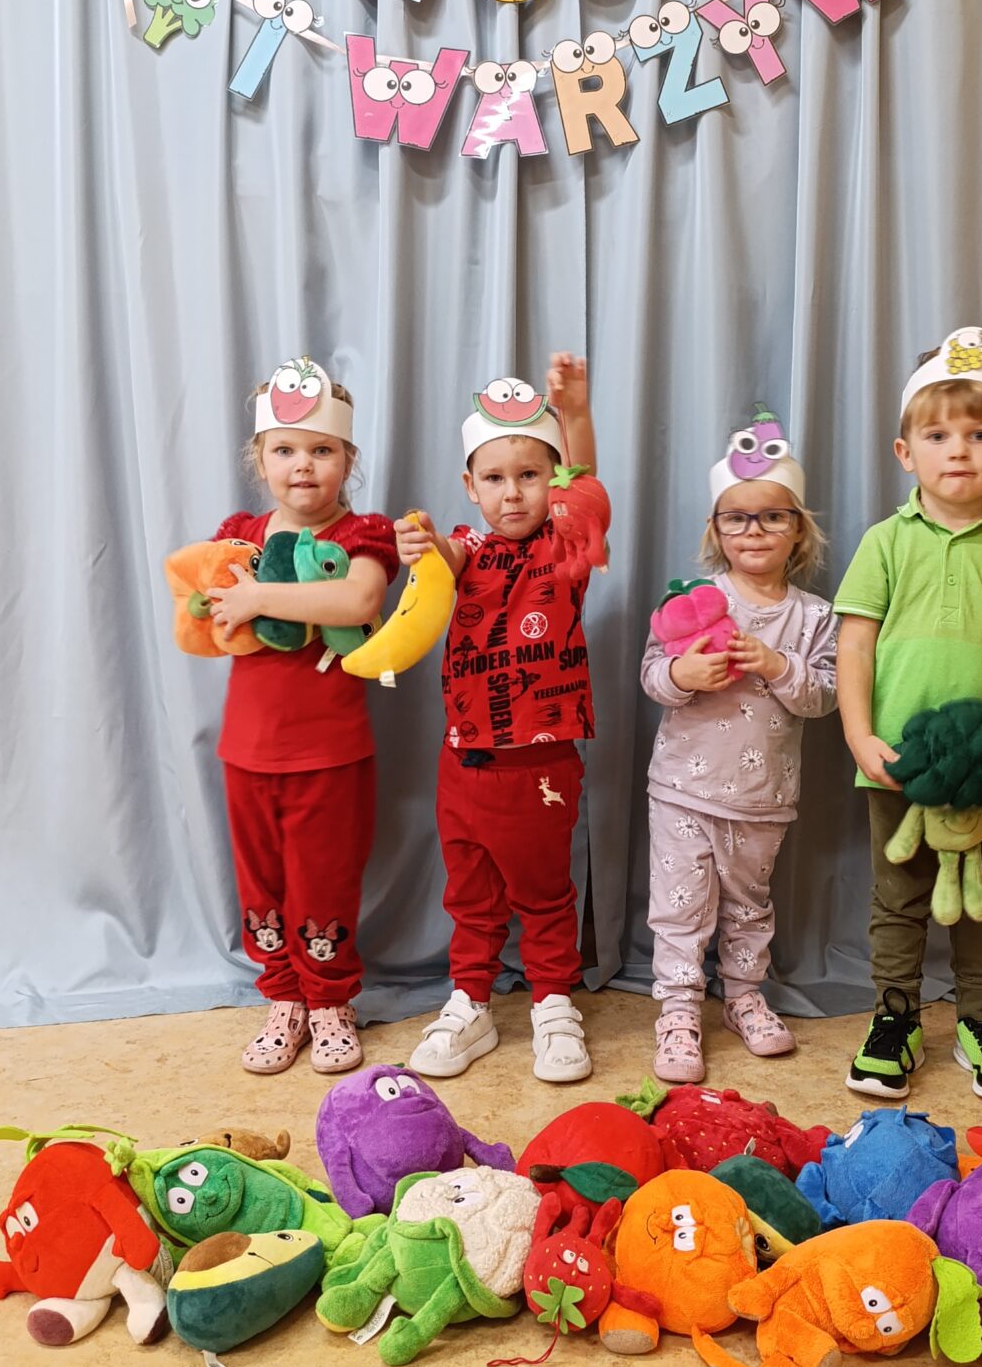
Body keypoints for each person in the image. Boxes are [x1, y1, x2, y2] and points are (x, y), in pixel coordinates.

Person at [833, 327, 982, 1104]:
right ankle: (895, 1019)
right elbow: (854, 646)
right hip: (899, 763)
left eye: (979, 434)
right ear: (906, 454)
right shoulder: (884, 544)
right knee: (898, 898)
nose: (959, 451)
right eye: (937, 437)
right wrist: (859, 735)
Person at [397, 355, 604, 1083]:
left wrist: (575, 415)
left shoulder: (565, 545)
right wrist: (421, 545)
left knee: (545, 893)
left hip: (541, 764)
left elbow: (585, 485)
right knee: (470, 893)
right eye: (494, 478)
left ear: (552, 480)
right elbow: (444, 555)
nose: (512, 492)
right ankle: (472, 1001)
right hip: (463, 761)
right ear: (471, 486)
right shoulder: (468, 547)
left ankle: (553, 1001)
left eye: (530, 475)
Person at [206, 357, 398, 1076]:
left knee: (325, 884)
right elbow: (211, 617)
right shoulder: (239, 534)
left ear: (348, 460)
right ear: (260, 461)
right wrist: (232, 605)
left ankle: (329, 1002)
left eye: (322, 450)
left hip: (330, 754)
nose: (303, 465)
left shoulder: (363, 535)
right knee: (261, 888)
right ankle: (283, 998)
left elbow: (357, 601)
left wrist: (259, 599)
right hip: (246, 750)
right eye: (285, 450)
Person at [640, 410, 838, 1082]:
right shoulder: (693, 599)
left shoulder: (814, 617)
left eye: (772, 517)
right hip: (681, 788)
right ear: (716, 528)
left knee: (750, 906)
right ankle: (678, 1010)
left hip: (762, 797)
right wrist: (683, 675)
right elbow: (652, 676)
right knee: (679, 907)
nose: (753, 530)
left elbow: (825, 696)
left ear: (798, 528)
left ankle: (744, 997)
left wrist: (777, 665)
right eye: (737, 518)